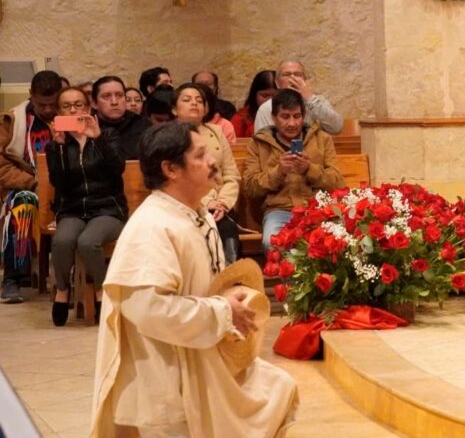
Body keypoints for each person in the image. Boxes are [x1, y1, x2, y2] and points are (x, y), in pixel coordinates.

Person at [90, 121, 297, 437]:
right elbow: (149, 309)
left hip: (201, 358)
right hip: (166, 377)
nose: (212, 161)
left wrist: (233, 294)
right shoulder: (151, 227)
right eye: (200, 155)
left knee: (278, 388)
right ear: (171, 169)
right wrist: (222, 310)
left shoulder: (196, 212)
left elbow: (207, 280)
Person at [47, 87, 126, 327]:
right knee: (62, 241)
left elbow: (117, 170)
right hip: (72, 208)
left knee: (87, 241)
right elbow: (59, 183)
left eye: (78, 105)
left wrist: (97, 138)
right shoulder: (57, 145)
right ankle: (62, 290)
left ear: (88, 107)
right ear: (59, 111)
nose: (73, 110)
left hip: (107, 209)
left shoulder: (108, 135)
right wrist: (60, 146)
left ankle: (102, 292)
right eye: (67, 106)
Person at [244, 90, 344, 252]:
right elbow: (250, 188)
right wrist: (279, 171)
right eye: (285, 116)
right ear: (274, 118)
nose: (292, 123)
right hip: (279, 210)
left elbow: (338, 183)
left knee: (333, 242)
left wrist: (309, 170)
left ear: (303, 116)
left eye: (296, 116)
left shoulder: (322, 139)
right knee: (273, 243)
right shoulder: (259, 144)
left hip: (316, 209)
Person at [0, 70, 61, 303]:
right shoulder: (12, 120)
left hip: (68, 186)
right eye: (41, 104)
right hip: (28, 186)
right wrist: (33, 183)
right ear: (30, 95)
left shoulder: (71, 116)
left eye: (52, 103)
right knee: (23, 202)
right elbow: (2, 166)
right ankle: (13, 278)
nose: (47, 110)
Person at [174, 83, 242, 263]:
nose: (194, 104)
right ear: (174, 109)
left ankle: (231, 279)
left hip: (219, 206)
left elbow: (231, 175)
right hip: (185, 205)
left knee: (227, 228)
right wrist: (205, 203)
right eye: (187, 100)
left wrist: (222, 203)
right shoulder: (169, 137)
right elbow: (175, 181)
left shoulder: (217, 132)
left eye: (199, 100)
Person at [252, 61, 343, 135]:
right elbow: (262, 143)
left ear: (305, 80)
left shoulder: (316, 102)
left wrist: (310, 98)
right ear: (277, 82)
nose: (292, 78)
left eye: (298, 74)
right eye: (286, 74)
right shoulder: (266, 108)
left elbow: (336, 128)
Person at [92, 76, 151, 160]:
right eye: (106, 96)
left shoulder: (143, 125)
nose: (114, 102)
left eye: (119, 95)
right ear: (94, 103)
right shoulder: (88, 128)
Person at [232, 70, 277, 138]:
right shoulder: (241, 119)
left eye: (275, 96)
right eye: (265, 96)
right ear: (254, 95)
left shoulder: (291, 116)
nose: (270, 102)